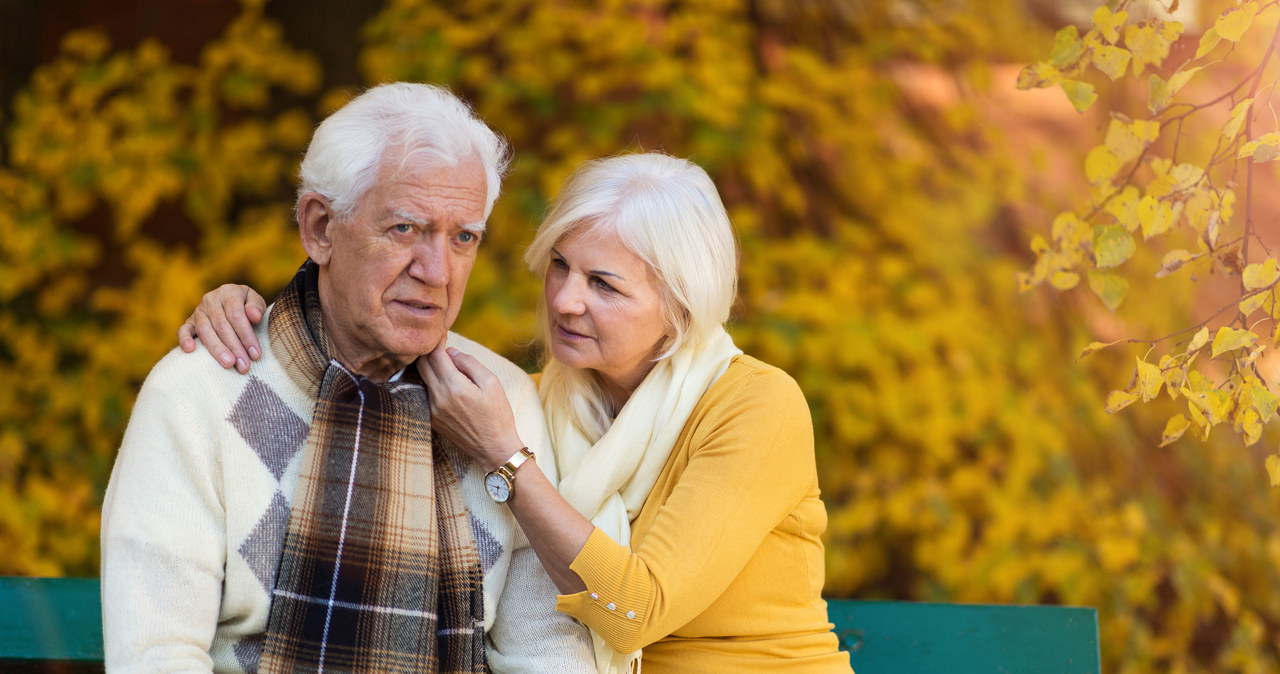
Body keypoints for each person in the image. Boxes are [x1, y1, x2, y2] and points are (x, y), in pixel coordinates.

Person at [184, 153, 852, 672]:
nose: (564, 300)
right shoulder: (541, 400)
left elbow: (636, 610)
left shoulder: (755, 407)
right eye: (560, 266)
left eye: (603, 285)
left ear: (680, 305)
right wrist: (253, 313)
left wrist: (508, 458)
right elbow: (376, 336)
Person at [102, 82, 595, 673]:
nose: (437, 272)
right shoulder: (199, 394)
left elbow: (545, 649)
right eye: (405, 229)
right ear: (320, 228)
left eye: (463, 237)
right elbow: (156, 657)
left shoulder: (499, 400)